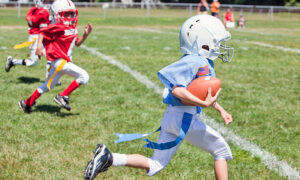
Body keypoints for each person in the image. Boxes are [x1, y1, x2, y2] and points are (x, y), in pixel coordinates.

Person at [84, 15, 234, 180]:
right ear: (202, 39)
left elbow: (203, 94)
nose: (220, 46)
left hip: (172, 117)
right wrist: (202, 103)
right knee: (221, 151)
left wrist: (220, 110)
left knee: (155, 164)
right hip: (183, 118)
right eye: (217, 41)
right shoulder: (194, 61)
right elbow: (177, 90)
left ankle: (109, 157)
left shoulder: (202, 61)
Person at [18, 0, 93, 114]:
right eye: (66, 14)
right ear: (57, 14)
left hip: (61, 62)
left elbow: (77, 43)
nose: (70, 16)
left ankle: (26, 103)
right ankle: (62, 96)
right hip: (60, 62)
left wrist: (85, 35)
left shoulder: (72, 27)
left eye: (71, 13)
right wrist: (38, 48)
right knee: (84, 76)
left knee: (47, 86)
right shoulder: (58, 26)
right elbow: (42, 33)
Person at [5, 0, 52, 81]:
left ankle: (51, 80)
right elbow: (43, 29)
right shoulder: (43, 12)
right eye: (45, 1)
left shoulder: (33, 10)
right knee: (32, 63)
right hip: (39, 37)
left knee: (51, 57)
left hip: (34, 36)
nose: (47, 3)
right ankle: (12, 61)